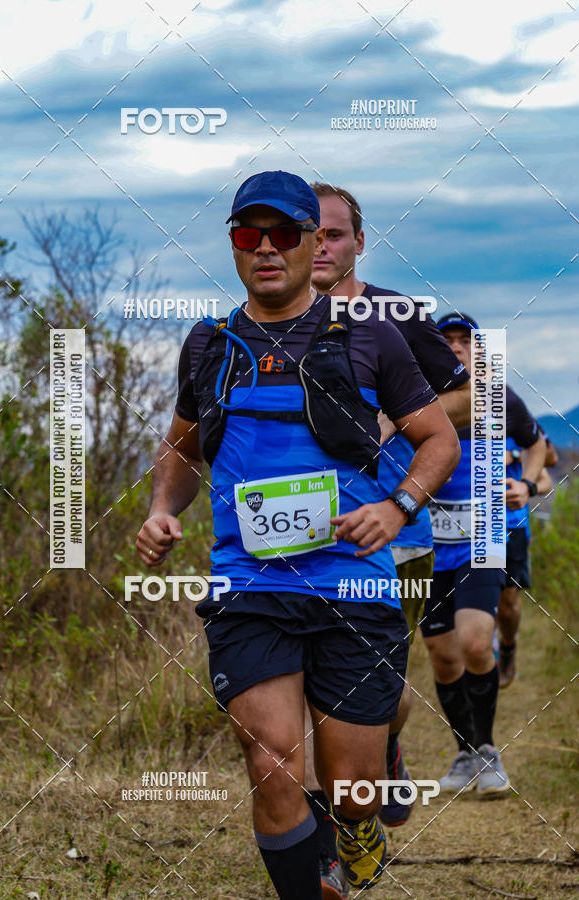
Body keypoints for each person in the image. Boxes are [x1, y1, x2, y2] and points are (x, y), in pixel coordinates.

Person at [136, 170, 460, 899]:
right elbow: (183, 448)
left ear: (315, 242)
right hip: (250, 585)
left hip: (355, 582)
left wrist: (399, 506)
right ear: (233, 246)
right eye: (250, 236)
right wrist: (164, 508)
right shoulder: (209, 345)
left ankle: (358, 824)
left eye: (285, 233)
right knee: (274, 759)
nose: (267, 249)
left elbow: (438, 438)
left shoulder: (372, 337)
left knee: (351, 790)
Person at [305, 182, 471, 896]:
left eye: (335, 234)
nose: (320, 247)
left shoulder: (396, 312)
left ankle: (388, 742)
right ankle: (327, 848)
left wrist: (398, 418)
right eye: (307, 233)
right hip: (303, 534)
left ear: (358, 242)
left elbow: (465, 396)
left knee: (381, 687)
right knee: (310, 689)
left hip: (398, 529)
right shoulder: (271, 316)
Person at [421, 312, 546, 797]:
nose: (455, 347)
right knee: (443, 658)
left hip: (486, 535)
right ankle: (465, 751)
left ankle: (489, 749)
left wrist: (527, 483)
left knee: (476, 643)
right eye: (446, 340)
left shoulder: (498, 397)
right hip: (430, 544)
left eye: (464, 340)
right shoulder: (416, 394)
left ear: (479, 351)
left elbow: (538, 445)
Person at [497, 430, 557, 687]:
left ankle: (507, 648)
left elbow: (547, 472)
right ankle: (479, 658)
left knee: (507, 603)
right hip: (474, 527)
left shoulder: (518, 424)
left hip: (513, 527)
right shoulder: (460, 424)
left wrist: (515, 456)